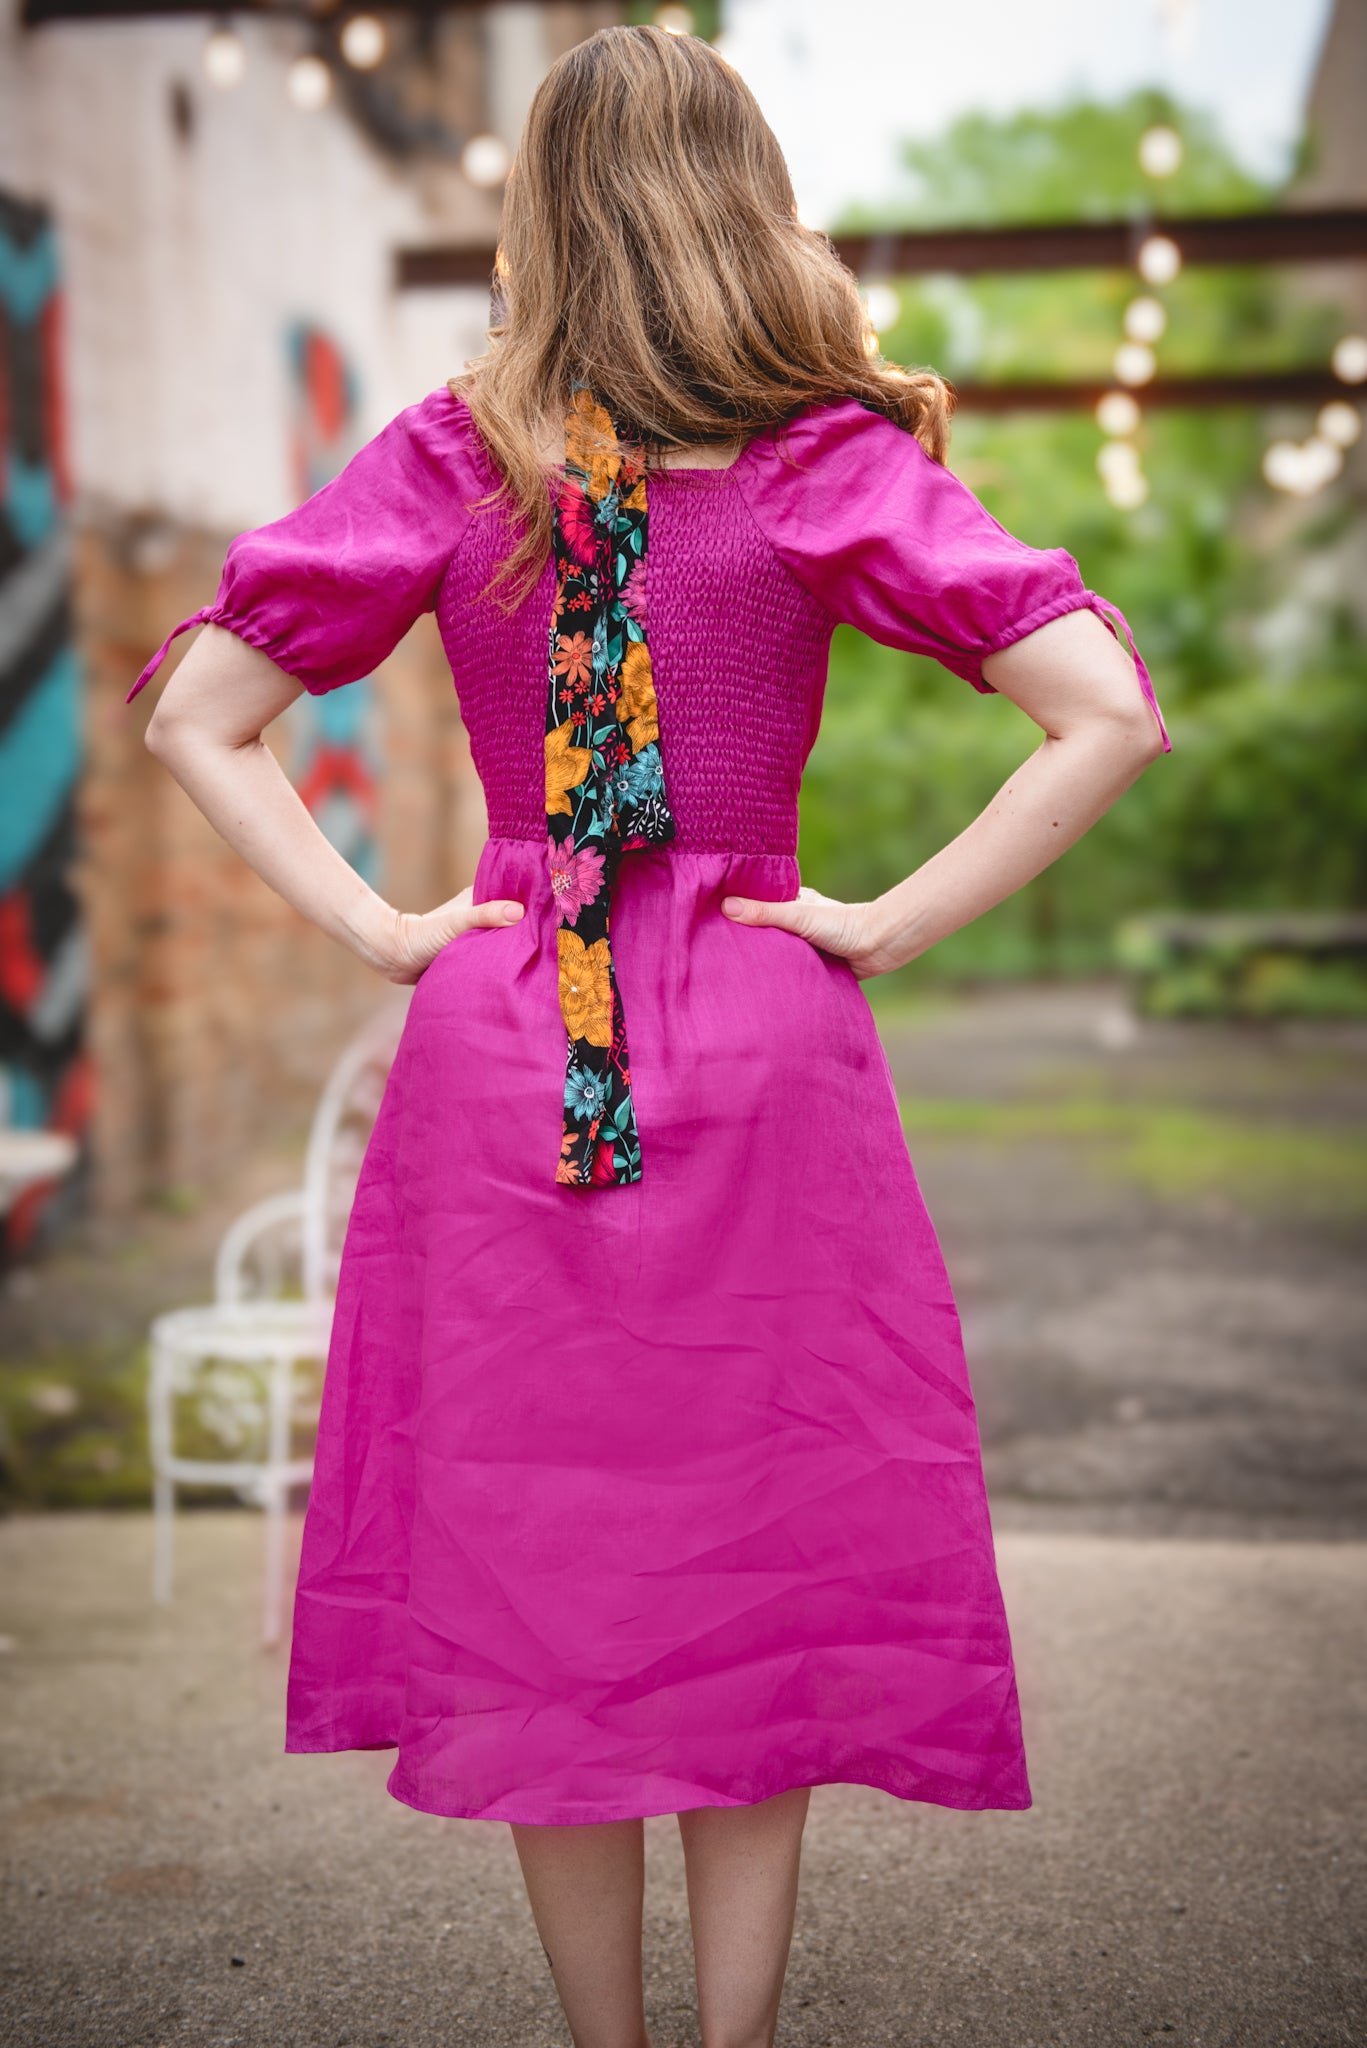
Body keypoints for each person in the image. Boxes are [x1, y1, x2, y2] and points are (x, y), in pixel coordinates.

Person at [131, 24, 1169, 2048]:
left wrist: (378, 927)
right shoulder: (822, 461)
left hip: (510, 1024)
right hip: (766, 1029)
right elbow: (1106, 706)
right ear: (741, 207)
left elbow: (192, 708)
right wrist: (881, 919)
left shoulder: (453, 455)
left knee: (549, 1575)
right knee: (755, 1559)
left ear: (541, 211)